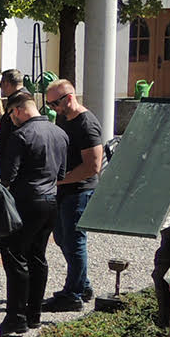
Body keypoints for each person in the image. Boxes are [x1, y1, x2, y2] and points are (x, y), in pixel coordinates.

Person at [0, 92, 70, 337]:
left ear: (18, 110)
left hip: (26, 201)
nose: (11, 119)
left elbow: (7, 175)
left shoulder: (21, 135)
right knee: (37, 256)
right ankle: (34, 314)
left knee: (15, 256)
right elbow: (61, 174)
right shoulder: (59, 133)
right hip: (50, 200)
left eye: (11, 114)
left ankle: (16, 318)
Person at [44, 79, 105, 311]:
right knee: (62, 238)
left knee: (75, 241)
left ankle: (73, 294)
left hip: (80, 190)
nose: (53, 109)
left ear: (69, 98)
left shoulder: (86, 124)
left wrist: (60, 180)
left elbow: (93, 166)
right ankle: (83, 284)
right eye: (49, 104)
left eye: (55, 103)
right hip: (64, 189)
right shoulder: (64, 117)